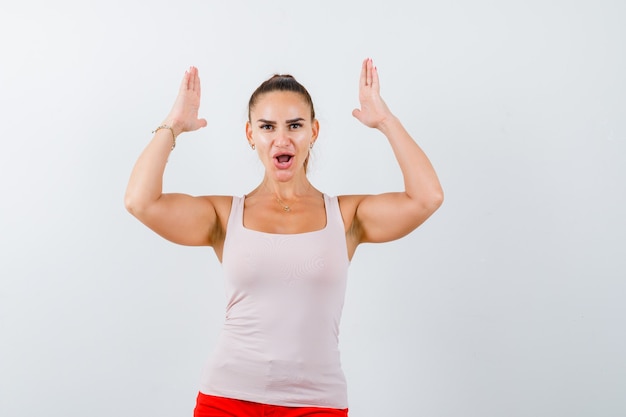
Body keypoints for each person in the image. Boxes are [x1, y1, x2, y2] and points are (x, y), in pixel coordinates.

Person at [125, 58, 443, 417]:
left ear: (314, 131)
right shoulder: (224, 216)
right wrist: (173, 125)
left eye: (295, 125)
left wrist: (386, 122)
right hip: (227, 399)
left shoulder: (347, 216)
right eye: (267, 126)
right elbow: (140, 202)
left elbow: (427, 197)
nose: (282, 139)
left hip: (316, 403)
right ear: (250, 135)